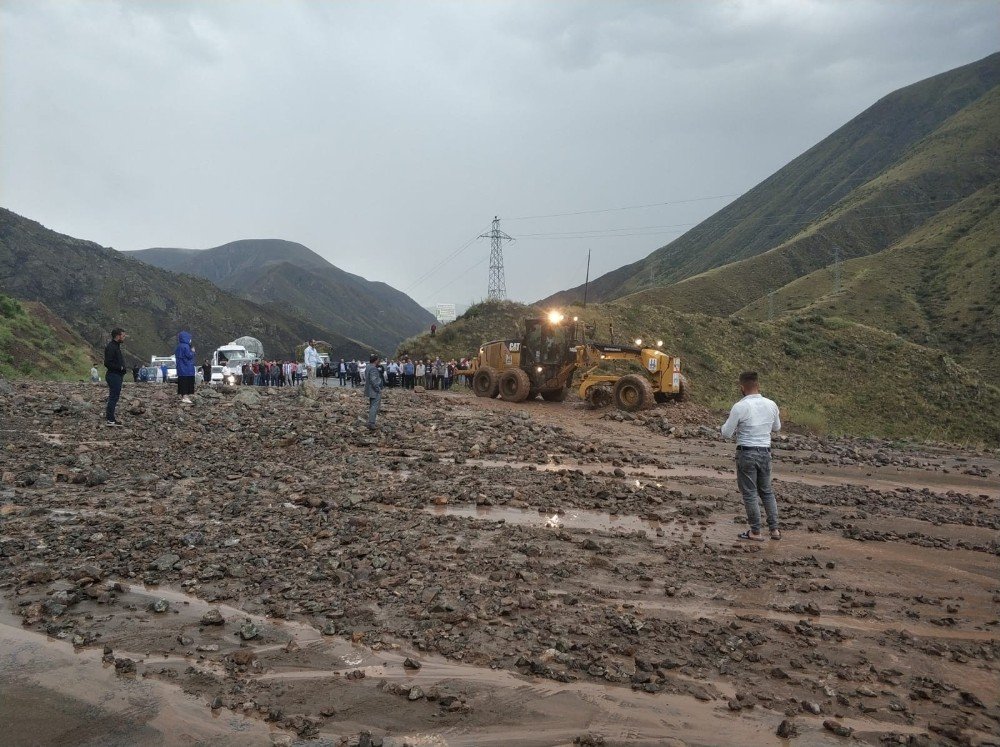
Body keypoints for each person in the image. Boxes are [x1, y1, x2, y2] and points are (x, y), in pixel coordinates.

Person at [721, 371, 782, 541]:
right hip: (765, 452)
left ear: (742, 387)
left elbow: (726, 433)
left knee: (749, 493)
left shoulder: (740, 406)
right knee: (767, 492)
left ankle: (755, 531)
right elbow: (776, 428)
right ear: (758, 385)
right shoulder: (771, 404)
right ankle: (774, 530)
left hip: (747, 452)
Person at [103, 328, 127, 426]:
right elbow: (107, 362)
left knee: (114, 397)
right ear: (118, 336)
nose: (124, 337)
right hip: (114, 375)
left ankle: (111, 418)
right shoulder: (111, 347)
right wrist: (120, 368)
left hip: (116, 375)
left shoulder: (115, 346)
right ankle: (110, 420)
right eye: (123, 335)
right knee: (113, 397)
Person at [174, 331, 196, 405]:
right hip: (187, 368)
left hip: (181, 368)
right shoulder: (186, 346)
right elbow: (189, 355)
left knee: (182, 382)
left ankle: (184, 396)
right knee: (187, 382)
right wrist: (193, 351)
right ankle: (185, 397)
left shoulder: (179, 346)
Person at [364, 353, 384, 431]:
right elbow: (373, 380)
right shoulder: (373, 368)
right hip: (374, 391)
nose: (379, 361)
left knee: (372, 406)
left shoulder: (368, 367)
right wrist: (378, 389)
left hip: (370, 390)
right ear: (376, 360)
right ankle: (371, 423)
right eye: (378, 360)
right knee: (374, 407)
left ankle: (371, 421)